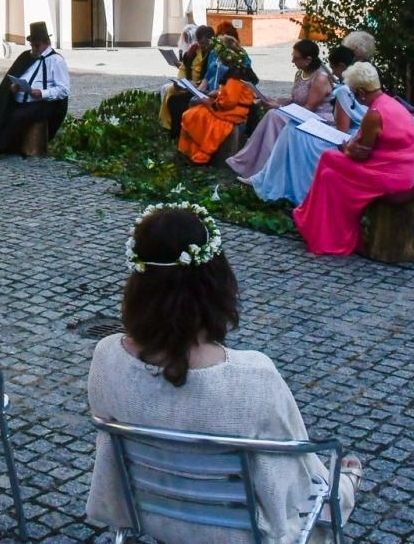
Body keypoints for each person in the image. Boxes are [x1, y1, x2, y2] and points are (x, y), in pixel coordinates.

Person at [87, 203, 360, 542]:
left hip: (150, 515)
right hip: (236, 534)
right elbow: (293, 480)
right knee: (331, 483)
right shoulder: (253, 377)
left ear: (137, 282)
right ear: (216, 283)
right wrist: (343, 485)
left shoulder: (107, 357)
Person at [293, 63, 414, 255]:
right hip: (400, 170)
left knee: (329, 163)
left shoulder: (374, 114)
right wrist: (351, 148)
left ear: (361, 92)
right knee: (329, 170)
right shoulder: (391, 103)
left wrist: (347, 148)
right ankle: (317, 225)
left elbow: (361, 153)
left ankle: (318, 226)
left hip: (387, 174)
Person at [245, 47, 365, 206]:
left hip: (342, 136)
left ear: (342, 67)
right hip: (342, 130)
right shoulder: (353, 84)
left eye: (334, 68)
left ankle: (280, 183)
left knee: (292, 131)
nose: (332, 73)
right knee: (290, 127)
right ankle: (267, 176)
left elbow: (342, 131)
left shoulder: (342, 89)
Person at [0, 21, 70, 165]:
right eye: (32, 45)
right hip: (23, 100)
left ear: (47, 42)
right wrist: (14, 87)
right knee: (1, 112)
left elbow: (64, 89)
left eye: (37, 45)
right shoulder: (27, 56)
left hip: (45, 103)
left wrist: (42, 93)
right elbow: (20, 74)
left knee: (17, 116)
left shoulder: (56, 61)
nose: (34, 48)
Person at [225, 40, 338, 179]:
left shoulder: (320, 78)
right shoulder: (300, 74)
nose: (292, 61)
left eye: (296, 58)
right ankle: (253, 165)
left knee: (274, 116)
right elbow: (295, 101)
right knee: (273, 114)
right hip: (299, 114)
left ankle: (262, 170)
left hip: (317, 119)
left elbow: (309, 108)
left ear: (308, 59)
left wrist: (278, 107)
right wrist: (274, 101)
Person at [177, 39, 258, 165]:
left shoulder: (235, 75)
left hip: (232, 113)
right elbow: (229, 94)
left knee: (193, 115)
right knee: (194, 113)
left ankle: (199, 154)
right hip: (229, 109)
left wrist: (211, 103)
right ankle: (191, 152)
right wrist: (216, 94)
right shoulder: (237, 70)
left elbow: (229, 101)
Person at [163, 25, 216, 138]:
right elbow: (183, 68)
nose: (202, 46)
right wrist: (181, 81)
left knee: (175, 101)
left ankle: (176, 133)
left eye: (204, 44)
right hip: (190, 85)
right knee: (170, 92)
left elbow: (210, 76)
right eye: (200, 43)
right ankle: (167, 126)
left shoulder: (214, 54)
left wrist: (196, 84)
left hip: (202, 90)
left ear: (212, 40)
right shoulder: (192, 51)